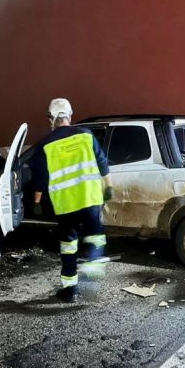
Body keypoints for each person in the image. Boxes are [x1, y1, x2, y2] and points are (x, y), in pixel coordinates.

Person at [30, 98, 113, 302]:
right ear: (70, 115)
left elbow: (40, 178)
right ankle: (93, 266)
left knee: (68, 247)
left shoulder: (45, 145)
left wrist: (37, 203)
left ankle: (70, 291)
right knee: (95, 235)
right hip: (90, 199)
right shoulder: (86, 135)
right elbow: (102, 163)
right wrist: (109, 188)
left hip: (65, 205)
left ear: (51, 118)